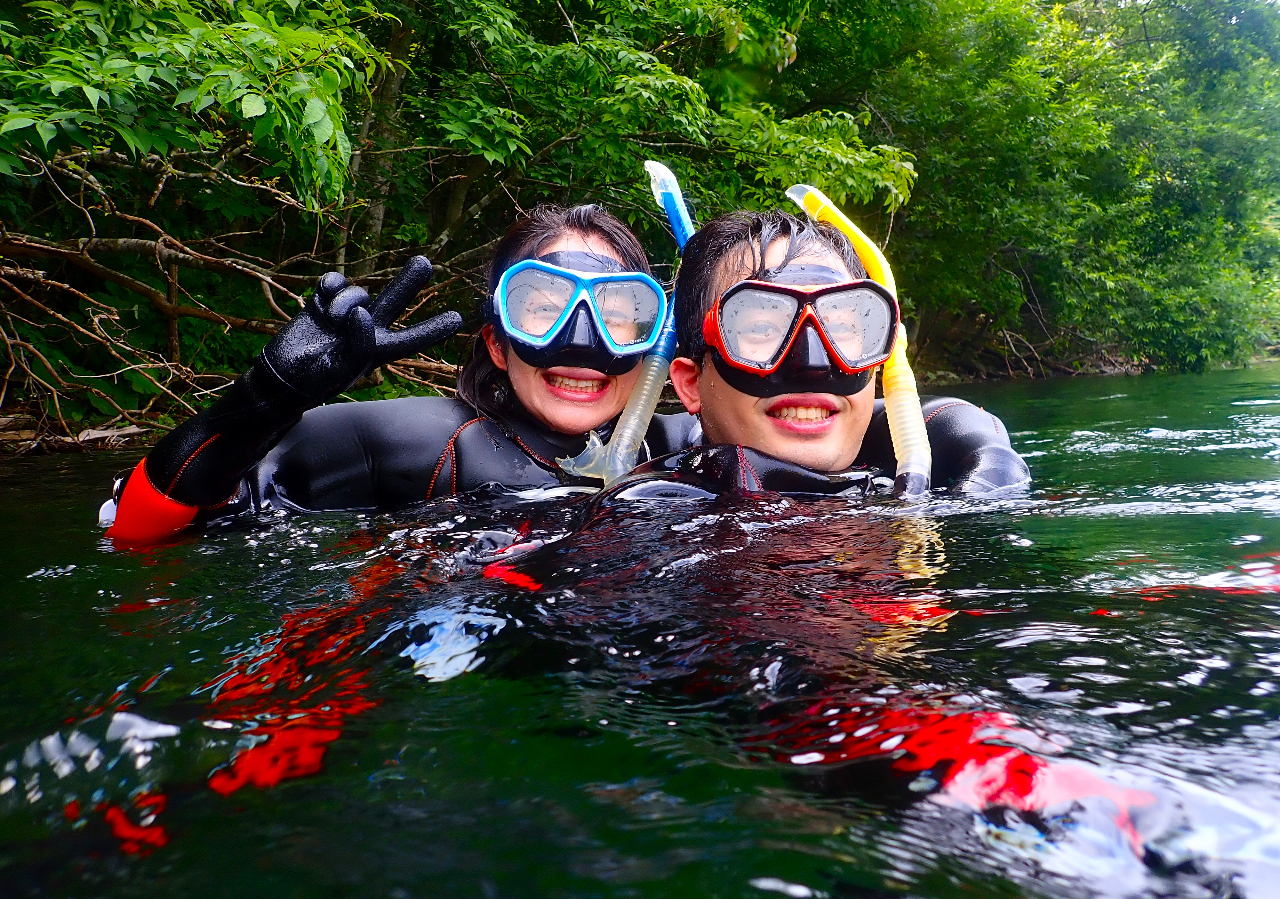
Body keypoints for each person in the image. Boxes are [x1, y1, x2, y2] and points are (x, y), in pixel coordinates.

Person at [104, 204, 698, 543]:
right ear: (496, 343)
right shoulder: (422, 441)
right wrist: (262, 400)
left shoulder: (684, 449)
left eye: (619, 315)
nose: (582, 339)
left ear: (656, 344)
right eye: (543, 310)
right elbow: (132, 533)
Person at [647, 209, 1030, 495]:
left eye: (842, 327)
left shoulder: (929, 448)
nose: (812, 362)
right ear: (691, 382)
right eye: (763, 328)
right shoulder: (644, 468)